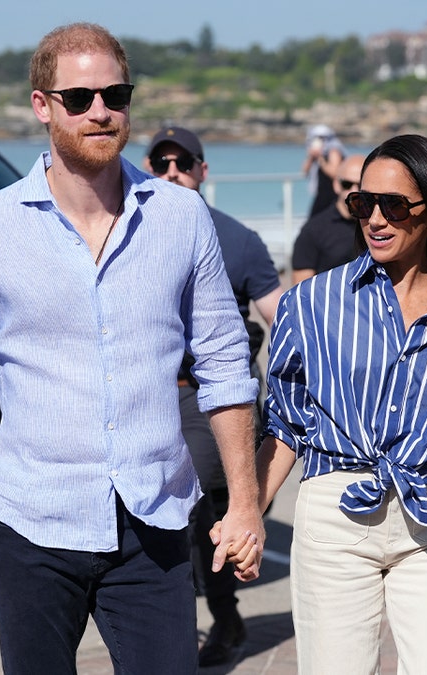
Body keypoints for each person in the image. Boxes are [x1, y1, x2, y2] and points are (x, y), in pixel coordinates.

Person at [0, 23, 264, 674]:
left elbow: (225, 365)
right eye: (79, 98)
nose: (101, 110)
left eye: (115, 93)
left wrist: (245, 504)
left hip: (155, 521)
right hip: (31, 523)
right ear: (41, 105)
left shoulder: (180, 217)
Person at [254, 134, 427, 673]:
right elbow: (285, 425)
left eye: (393, 205)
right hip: (334, 514)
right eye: (363, 203)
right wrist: (248, 513)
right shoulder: (311, 304)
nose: (375, 218)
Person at [143, 125, 282, 667]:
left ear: (203, 170)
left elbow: (281, 314)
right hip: (147, 394)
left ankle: (212, 620)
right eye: (161, 163)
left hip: (207, 396)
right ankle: (218, 617)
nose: (172, 171)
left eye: (184, 162)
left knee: (190, 499)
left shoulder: (239, 239)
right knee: (193, 514)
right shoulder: (127, 230)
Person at [291, 153, 366, 284]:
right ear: (336, 184)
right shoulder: (313, 230)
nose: (354, 191)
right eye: (347, 184)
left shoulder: (379, 225)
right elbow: (301, 291)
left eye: (361, 185)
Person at [302, 124, 345, 218]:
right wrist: (311, 157)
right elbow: (304, 172)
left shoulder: (334, 151)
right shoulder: (316, 154)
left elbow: (334, 173)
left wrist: (321, 159)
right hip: (321, 194)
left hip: (332, 195)